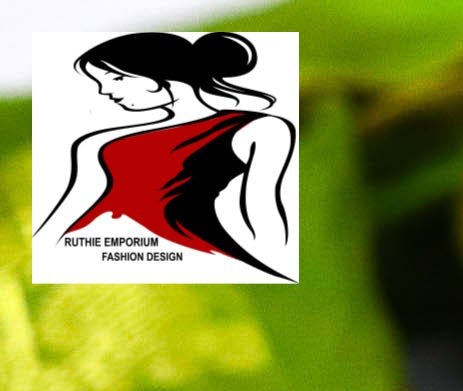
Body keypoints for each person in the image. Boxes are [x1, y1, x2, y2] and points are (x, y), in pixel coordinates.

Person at [34, 31, 295, 280]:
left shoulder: (259, 128)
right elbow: (68, 211)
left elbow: (263, 209)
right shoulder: (97, 142)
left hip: (188, 256)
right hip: (86, 260)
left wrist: (274, 272)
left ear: (157, 74)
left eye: (115, 78)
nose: (105, 91)